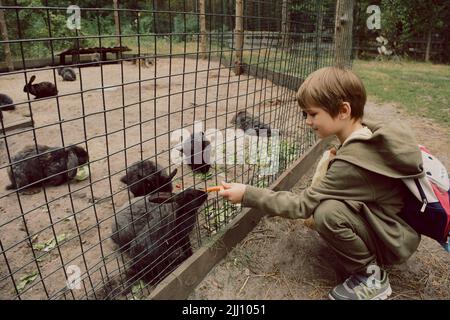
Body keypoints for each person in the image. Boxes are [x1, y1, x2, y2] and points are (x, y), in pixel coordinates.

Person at [218, 66, 423, 300]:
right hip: (393, 227)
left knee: (327, 213)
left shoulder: (352, 163)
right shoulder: (365, 134)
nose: (307, 121)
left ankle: (371, 276)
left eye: (313, 114)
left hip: (394, 240)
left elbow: (301, 205)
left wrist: (247, 194)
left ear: (344, 110)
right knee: (329, 207)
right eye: (305, 114)